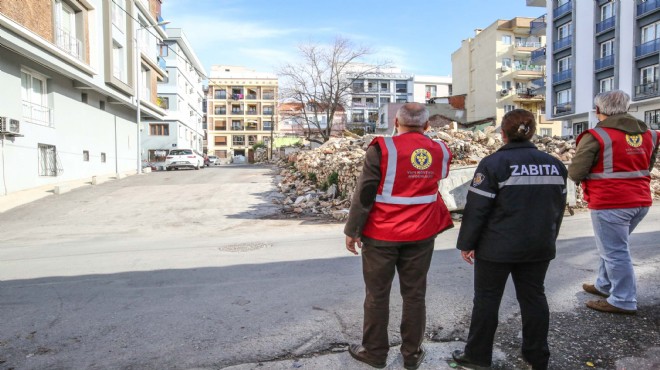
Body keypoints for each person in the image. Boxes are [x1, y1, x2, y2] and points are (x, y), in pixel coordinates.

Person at [452, 109, 568, 370]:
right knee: (534, 298)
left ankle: (477, 357)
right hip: (539, 246)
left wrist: (467, 243)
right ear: (533, 132)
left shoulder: (493, 164)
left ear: (503, 134)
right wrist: (550, 237)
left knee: (487, 300)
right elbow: (558, 207)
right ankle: (537, 357)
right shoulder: (555, 164)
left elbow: (477, 209)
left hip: (497, 248)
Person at [344, 102, 454, 370]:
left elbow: (366, 192)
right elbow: (434, 181)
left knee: (377, 295)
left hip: (382, 234)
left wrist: (353, 230)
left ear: (396, 122)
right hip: (422, 234)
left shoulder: (382, 148)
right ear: (427, 126)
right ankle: (412, 355)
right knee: (415, 294)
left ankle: (375, 353)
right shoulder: (440, 150)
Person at [568, 90, 659, 315]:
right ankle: (604, 285)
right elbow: (648, 165)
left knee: (615, 251)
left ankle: (623, 300)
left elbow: (576, 171)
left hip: (610, 202)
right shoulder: (649, 134)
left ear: (598, 111)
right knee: (611, 247)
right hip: (641, 201)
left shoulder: (597, 136)